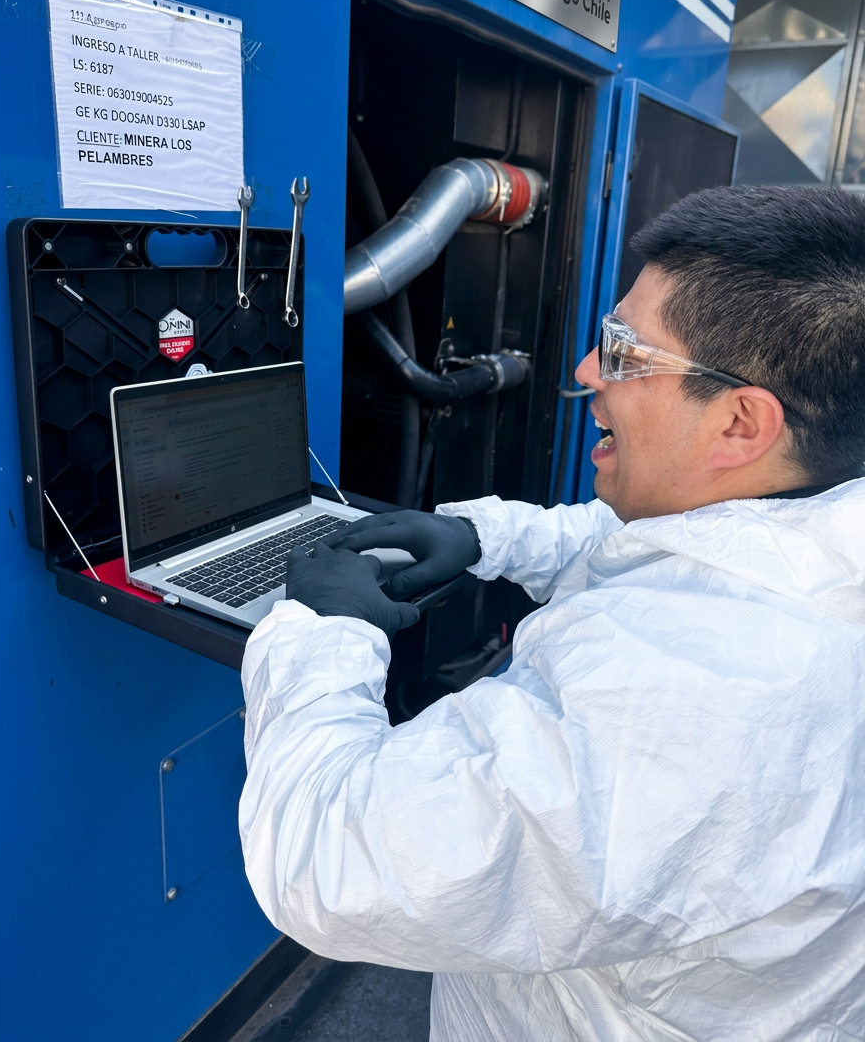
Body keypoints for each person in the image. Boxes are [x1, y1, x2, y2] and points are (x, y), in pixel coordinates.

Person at [238, 185, 865, 1042]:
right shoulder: (819, 536)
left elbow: (331, 864)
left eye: (623, 352)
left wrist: (323, 632)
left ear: (738, 424)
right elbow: (684, 552)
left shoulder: (681, 689)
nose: (585, 372)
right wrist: (483, 533)